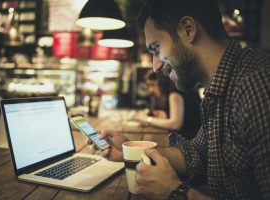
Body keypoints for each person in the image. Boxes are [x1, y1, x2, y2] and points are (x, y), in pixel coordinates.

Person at [87, 0, 270, 199]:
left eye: (156, 48)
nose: (155, 66)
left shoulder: (257, 85)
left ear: (188, 29)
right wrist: (132, 153)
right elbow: (198, 156)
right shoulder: (218, 89)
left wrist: (176, 191)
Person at [133, 70, 201, 140]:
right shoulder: (173, 90)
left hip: (191, 141)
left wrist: (146, 119)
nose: (150, 90)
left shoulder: (174, 93)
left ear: (162, 83)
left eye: (153, 85)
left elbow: (176, 124)